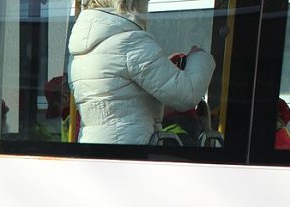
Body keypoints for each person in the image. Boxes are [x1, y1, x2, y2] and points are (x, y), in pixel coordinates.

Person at [67, 0, 215, 145]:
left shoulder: (81, 50)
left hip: (92, 148)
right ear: (131, 3)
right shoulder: (130, 42)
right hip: (130, 150)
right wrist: (200, 57)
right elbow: (186, 94)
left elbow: (121, 99)